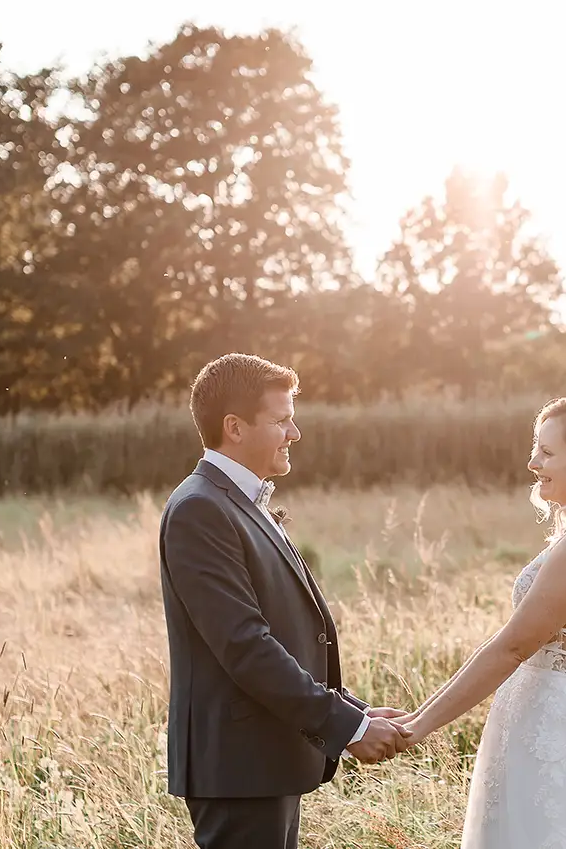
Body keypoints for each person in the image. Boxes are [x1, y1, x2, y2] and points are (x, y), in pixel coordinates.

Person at [158, 353, 411, 849]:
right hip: (238, 766)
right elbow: (246, 646)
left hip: (263, 758)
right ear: (234, 427)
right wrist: (348, 727)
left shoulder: (234, 500)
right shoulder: (199, 509)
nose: (294, 433)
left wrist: (354, 710)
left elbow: (281, 636)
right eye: (281, 420)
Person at [393, 395, 566, 848]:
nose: (533, 463)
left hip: (547, 731)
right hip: (546, 719)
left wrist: (418, 725)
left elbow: (511, 648)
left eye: (547, 452)